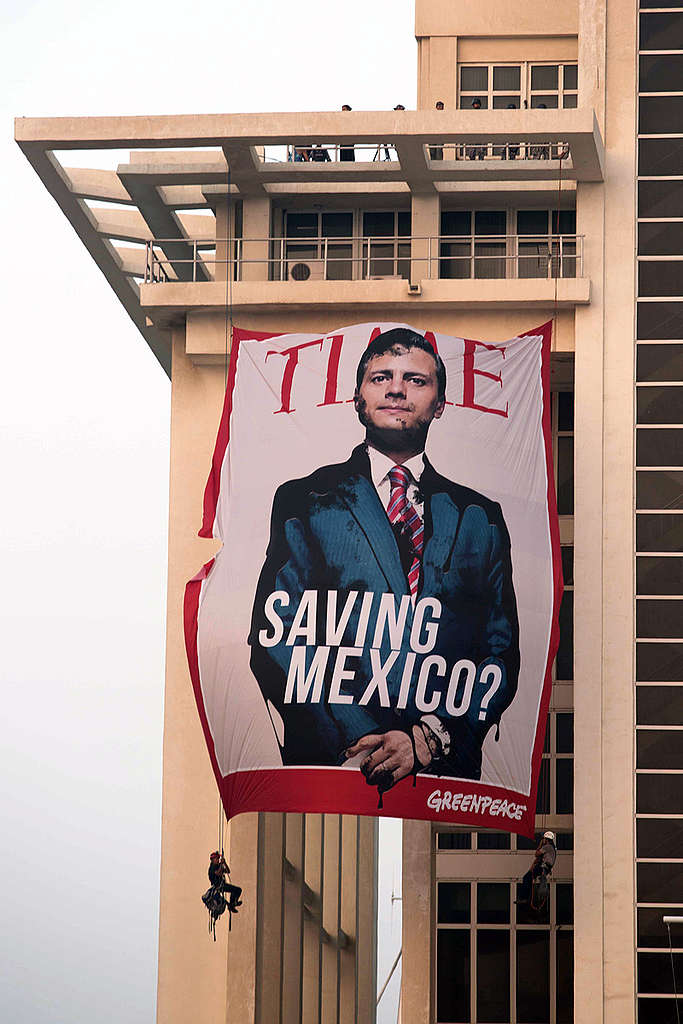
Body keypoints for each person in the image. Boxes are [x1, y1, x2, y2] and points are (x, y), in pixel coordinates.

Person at [249, 328, 519, 799]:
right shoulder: (305, 501)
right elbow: (275, 638)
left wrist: (426, 740)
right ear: (358, 399)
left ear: (440, 403)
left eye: (416, 379)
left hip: (442, 776)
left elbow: (499, 655)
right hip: (333, 767)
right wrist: (357, 737)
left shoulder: (481, 519)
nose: (397, 389)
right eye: (381, 377)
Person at [516, 831, 556, 904]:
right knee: (528, 878)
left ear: (546, 839)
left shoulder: (547, 847)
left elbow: (536, 854)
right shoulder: (551, 848)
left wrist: (540, 844)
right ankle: (526, 897)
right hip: (545, 868)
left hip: (543, 868)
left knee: (527, 877)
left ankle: (525, 898)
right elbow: (538, 859)